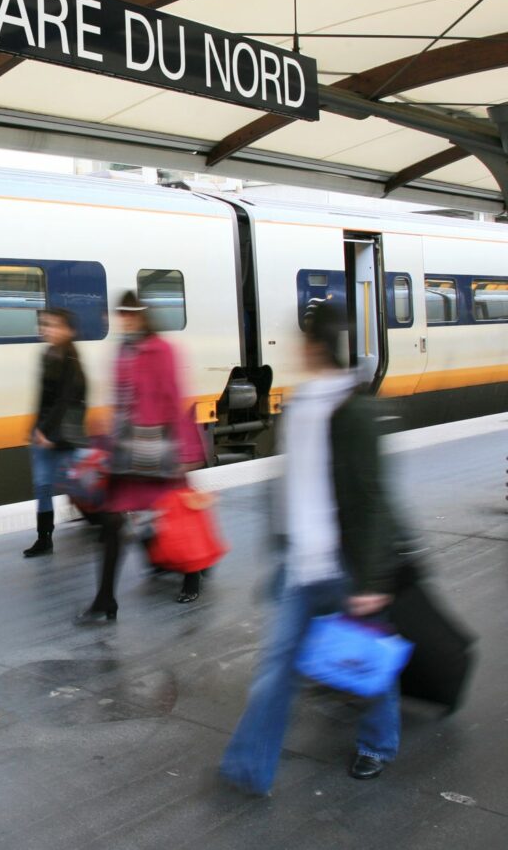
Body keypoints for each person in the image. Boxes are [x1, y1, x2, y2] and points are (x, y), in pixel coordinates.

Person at [219, 302, 402, 796]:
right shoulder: (299, 407)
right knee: (276, 671)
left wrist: (370, 582)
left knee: (365, 663)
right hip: (301, 566)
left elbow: (370, 500)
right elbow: (290, 487)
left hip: (345, 567)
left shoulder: (355, 412)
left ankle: (378, 744)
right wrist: (280, 552)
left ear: (315, 345)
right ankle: (249, 765)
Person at [77, 291, 204, 621]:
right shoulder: (122, 351)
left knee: (177, 515)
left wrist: (186, 450)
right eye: (122, 315)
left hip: (161, 450)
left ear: (143, 317)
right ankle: (105, 599)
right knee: (111, 522)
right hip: (126, 452)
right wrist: (104, 443)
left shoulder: (162, 350)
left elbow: (174, 397)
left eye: (131, 315)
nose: (126, 321)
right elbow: (118, 403)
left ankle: (192, 575)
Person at [24, 308, 87, 557]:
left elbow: (66, 400)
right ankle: (44, 538)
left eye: (54, 325)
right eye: (46, 325)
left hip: (63, 438)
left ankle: (110, 521)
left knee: (83, 486)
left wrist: (46, 432)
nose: (48, 329)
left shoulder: (71, 360)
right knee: (42, 486)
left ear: (68, 331)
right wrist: (35, 429)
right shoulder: (48, 354)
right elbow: (43, 398)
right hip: (44, 434)